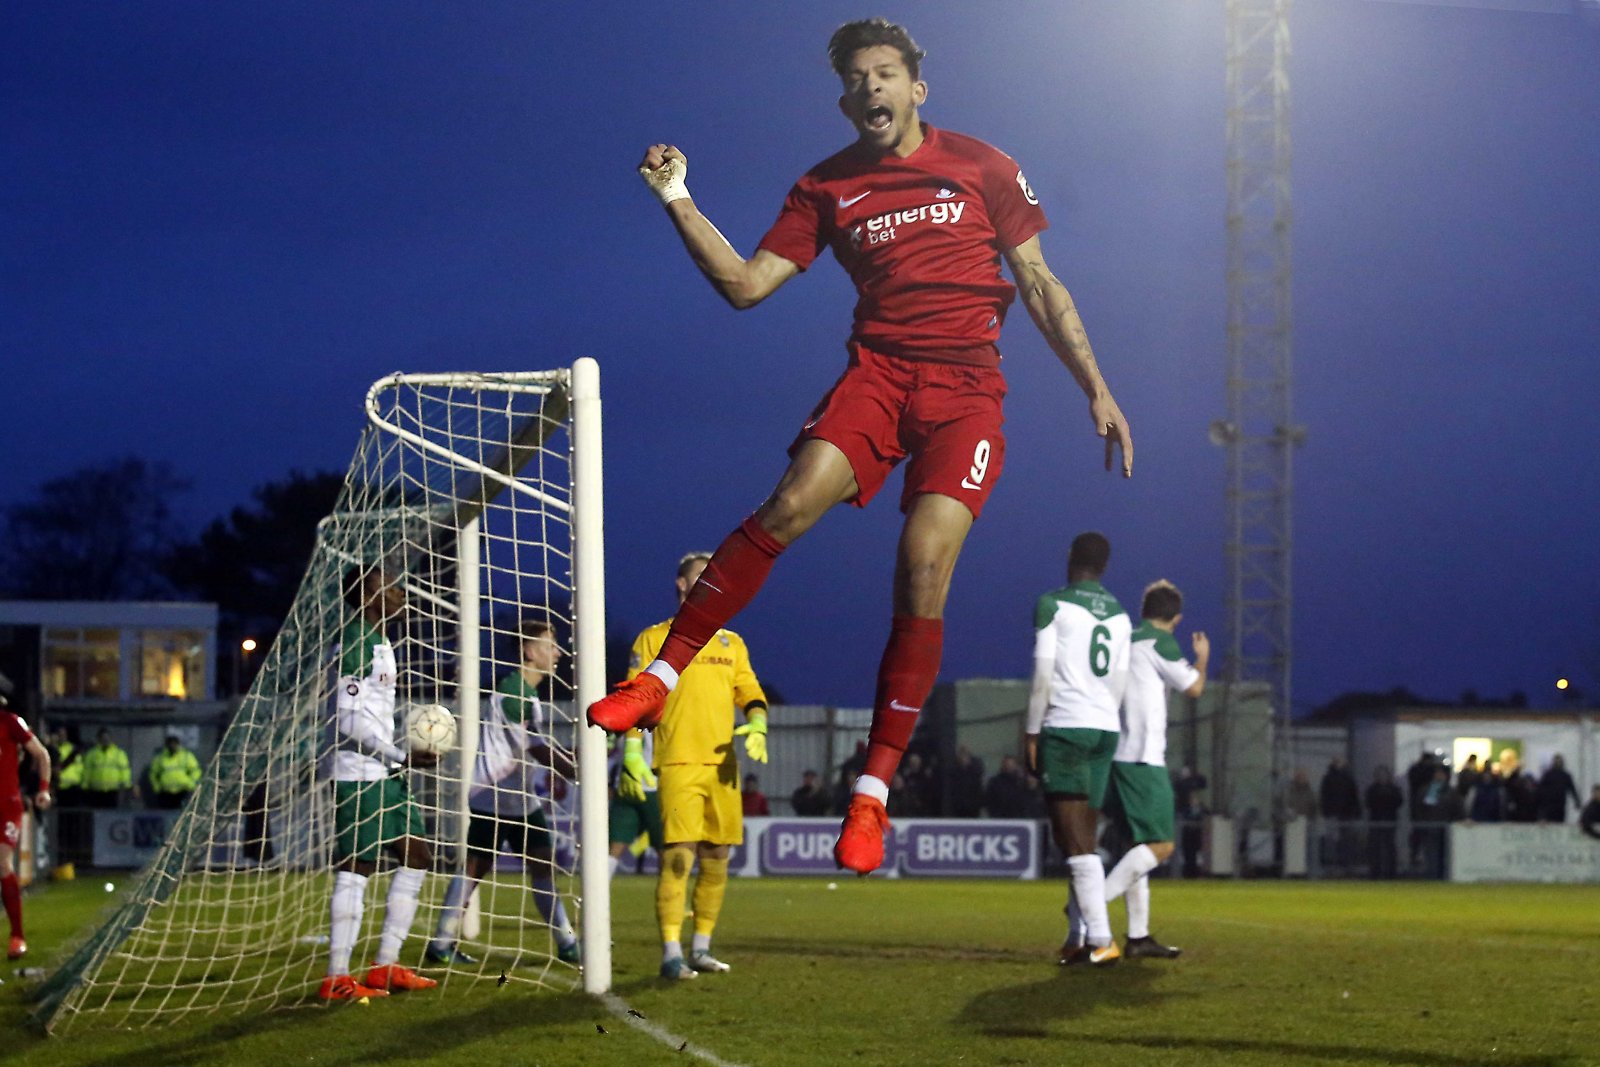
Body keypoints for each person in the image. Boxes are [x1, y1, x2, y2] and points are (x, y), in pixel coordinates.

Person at [585, 17, 1134, 881]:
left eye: (885, 72)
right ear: (845, 101)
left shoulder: (984, 166)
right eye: (856, 78)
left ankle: (872, 792)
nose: (871, 86)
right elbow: (746, 285)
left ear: (917, 87)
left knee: (923, 564)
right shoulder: (826, 186)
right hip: (877, 377)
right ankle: (658, 677)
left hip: (965, 393)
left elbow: (1038, 280)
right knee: (789, 502)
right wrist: (677, 195)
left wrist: (1095, 385)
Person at [627, 552, 771, 980]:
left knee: (717, 857)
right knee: (677, 858)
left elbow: (750, 691)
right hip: (678, 762)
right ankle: (671, 952)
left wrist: (758, 722)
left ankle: (702, 948)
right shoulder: (653, 639)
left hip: (722, 766)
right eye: (704, 576)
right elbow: (636, 698)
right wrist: (632, 751)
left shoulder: (732, 643)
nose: (714, 583)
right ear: (682, 584)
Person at [427, 618, 579, 967]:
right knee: (475, 869)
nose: (557, 652)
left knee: (542, 866)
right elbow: (534, 747)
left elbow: (535, 746)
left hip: (520, 799)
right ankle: (440, 943)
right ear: (529, 651)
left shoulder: (526, 693)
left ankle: (568, 943)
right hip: (493, 796)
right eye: (549, 646)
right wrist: (571, 768)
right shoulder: (514, 693)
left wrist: (569, 760)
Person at [319, 565, 439, 1002]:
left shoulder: (383, 642)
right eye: (388, 587)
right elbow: (347, 721)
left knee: (417, 855)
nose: (399, 593)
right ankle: (336, 976)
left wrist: (397, 757)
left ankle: (386, 965)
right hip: (358, 774)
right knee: (358, 867)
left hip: (386, 773)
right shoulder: (354, 641)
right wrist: (400, 755)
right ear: (368, 596)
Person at [1027, 532, 1131, 967]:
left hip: (1067, 727)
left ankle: (1103, 940)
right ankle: (1078, 935)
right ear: (1105, 565)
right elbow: (1119, 683)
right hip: (1105, 728)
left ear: (1070, 556)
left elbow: (1043, 676)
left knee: (1072, 840)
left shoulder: (1053, 604)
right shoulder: (1122, 616)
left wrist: (1032, 732)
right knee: (1081, 836)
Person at [1102, 580, 1208, 960]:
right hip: (1143, 759)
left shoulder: (1124, 640)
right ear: (1176, 619)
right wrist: (1202, 658)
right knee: (1161, 846)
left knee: (1138, 848)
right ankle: (1090, 904)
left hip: (1116, 757)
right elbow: (1194, 688)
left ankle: (1139, 936)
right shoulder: (1159, 642)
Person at [1, 676, 53, 960]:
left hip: (6, 805)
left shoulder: (10, 722)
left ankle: (17, 936)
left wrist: (43, 789)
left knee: (2, 862)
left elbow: (42, 755)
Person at [608, 728, 664, 876]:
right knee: (665, 848)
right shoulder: (658, 719)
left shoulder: (624, 720)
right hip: (652, 787)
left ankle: (598, 888)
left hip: (625, 787)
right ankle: (670, 888)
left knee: (615, 846)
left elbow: (609, 746)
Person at [1364, 765, 1404, 879]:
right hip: (1376, 821)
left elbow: (1399, 802)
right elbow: (1368, 803)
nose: (1382, 777)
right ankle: (1375, 872)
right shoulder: (1372, 790)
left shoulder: (1393, 789)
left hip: (1390, 821)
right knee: (1375, 847)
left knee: (1389, 847)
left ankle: (1391, 872)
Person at [146, 735, 202, 809]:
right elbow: (153, 774)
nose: (172, 746)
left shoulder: (186, 756)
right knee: (166, 812)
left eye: (174, 744)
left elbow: (196, 771)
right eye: (170, 744)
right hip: (165, 793)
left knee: (184, 811)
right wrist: (157, 787)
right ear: (166, 746)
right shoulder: (160, 758)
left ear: (178, 745)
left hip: (184, 790)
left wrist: (191, 783)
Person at [81, 728, 132, 809]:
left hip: (113, 791)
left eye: (107, 738)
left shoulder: (119, 754)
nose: (105, 740)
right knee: (96, 813)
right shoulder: (92, 754)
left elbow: (125, 771)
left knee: (110, 813)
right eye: (103, 738)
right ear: (99, 739)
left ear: (111, 739)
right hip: (96, 791)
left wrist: (126, 786)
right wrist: (85, 786)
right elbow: (87, 771)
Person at [1536, 755, 1581, 823]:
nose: (1558, 763)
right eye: (1556, 761)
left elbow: (1572, 789)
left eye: (1559, 761)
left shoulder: (1565, 775)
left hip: (1560, 805)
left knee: (1559, 822)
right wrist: (1539, 803)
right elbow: (1540, 789)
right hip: (1549, 805)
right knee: (1550, 822)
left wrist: (1577, 801)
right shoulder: (1548, 775)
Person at [948, 745, 985, 819]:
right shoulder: (954, 769)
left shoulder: (975, 768)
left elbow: (979, 783)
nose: (963, 757)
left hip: (973, 805)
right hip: (959, 806)